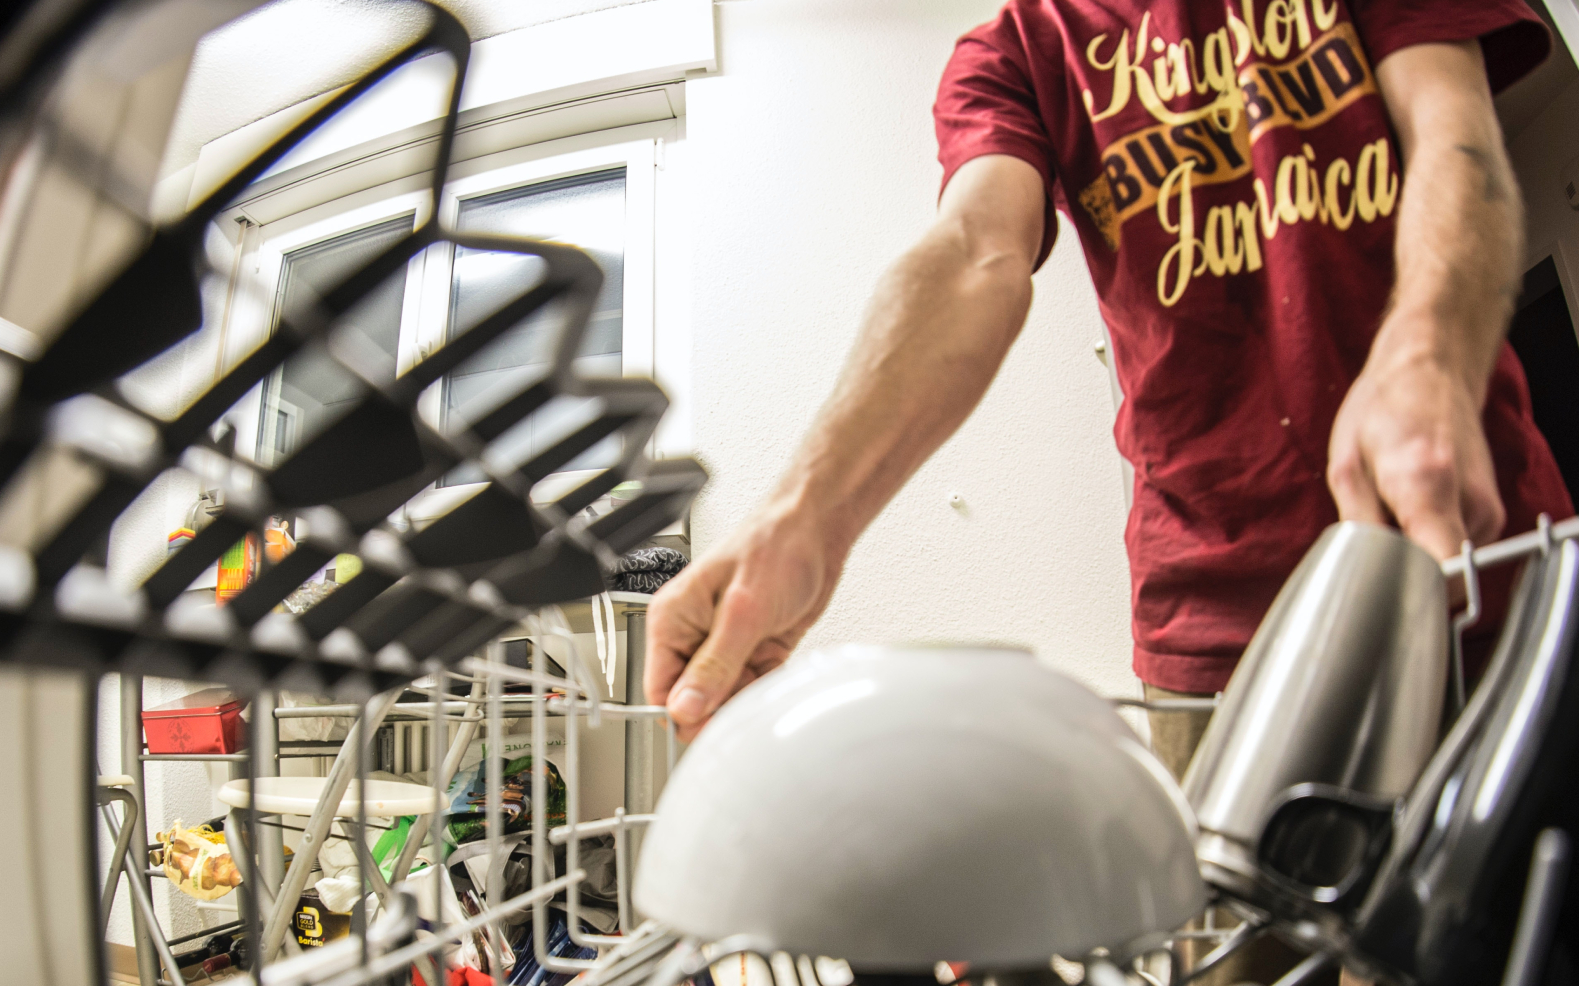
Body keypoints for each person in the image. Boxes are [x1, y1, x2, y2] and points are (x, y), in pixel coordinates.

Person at [646, 0, 1573, 775]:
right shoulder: (1014, 53)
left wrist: (1424, 351)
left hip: (1469, 548)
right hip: (1209, 616)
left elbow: (1458, 137)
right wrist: (805, 519)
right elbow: (975, 254)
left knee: (1469, 973)